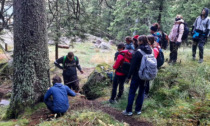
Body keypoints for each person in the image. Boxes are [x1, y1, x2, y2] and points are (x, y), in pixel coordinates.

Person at [122, 35, 152, 116]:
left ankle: (129, 111)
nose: (137, 42)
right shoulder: (149, 50)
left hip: (137, 74)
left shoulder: (138, 52)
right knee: (141, 92)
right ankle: (138, 110)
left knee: (132, 92)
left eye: (138, 41)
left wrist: (129, 76)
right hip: (145, 75)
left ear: (141, 41)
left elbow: (133, 65)